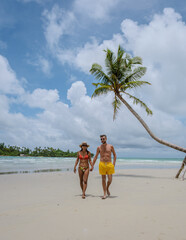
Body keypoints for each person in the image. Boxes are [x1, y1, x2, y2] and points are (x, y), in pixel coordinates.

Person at [91, 135, 116, 199]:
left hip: (109, 164)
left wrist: (113, 164)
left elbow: (115, 155)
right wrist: (92, 165)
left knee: (110, 180)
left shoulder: (111, 146)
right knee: (103, 179)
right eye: (101, 139)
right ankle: (104, 193)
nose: (102, 140)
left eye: (103, 139)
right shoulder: (99, 147)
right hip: (102, 164)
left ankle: (107, 188)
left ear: (106, 139)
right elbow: (96, 156)